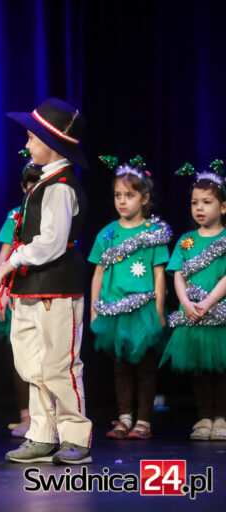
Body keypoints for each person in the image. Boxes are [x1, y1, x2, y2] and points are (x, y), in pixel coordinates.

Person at [0, 98, 93, 465]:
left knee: (59, 364)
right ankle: (43, 435)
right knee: (32, 364)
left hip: (57, 285)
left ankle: (75, 434)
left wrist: (9, 264)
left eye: (33, 138)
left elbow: (50, 242)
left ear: (53, 143)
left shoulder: (60, 186)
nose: (28, 145)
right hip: (31, 287)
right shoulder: (42, 182)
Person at [88, 155, 171, 440]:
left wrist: (159, 310)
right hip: (113, 311)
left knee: (145, 367)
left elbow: (159, 273)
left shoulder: (153, 232)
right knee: (120, 365)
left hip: (143, 310)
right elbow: (98, 272)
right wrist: (94, 309)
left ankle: (143, 420)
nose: (122, 201)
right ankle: (124, 418)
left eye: (129, 195)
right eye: (117, 195)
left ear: (144, 198)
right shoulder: (107, 233)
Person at [160, 160, 226, 441]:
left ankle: (221, 418)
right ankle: (203, 417)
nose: (199, 208)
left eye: (207, 202)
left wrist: (208, 302)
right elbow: (177, 274)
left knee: (221, 370)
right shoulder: (186, 239)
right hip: (193, 314)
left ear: (222, 207)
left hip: (219, 313)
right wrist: (186, 303)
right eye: (194, 202)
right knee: (200, 369)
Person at [0, 151, 42, 438]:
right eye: (28, 185)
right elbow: (4, 254)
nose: (32, 190)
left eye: (38, 184)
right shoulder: (15, 215)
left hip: (41, 290)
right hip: (15, 292)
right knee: (21, 359)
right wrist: (1, 293)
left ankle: (48, 417)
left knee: (43, 359)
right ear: (22, 187)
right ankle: (26, 417)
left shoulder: (51, 215)